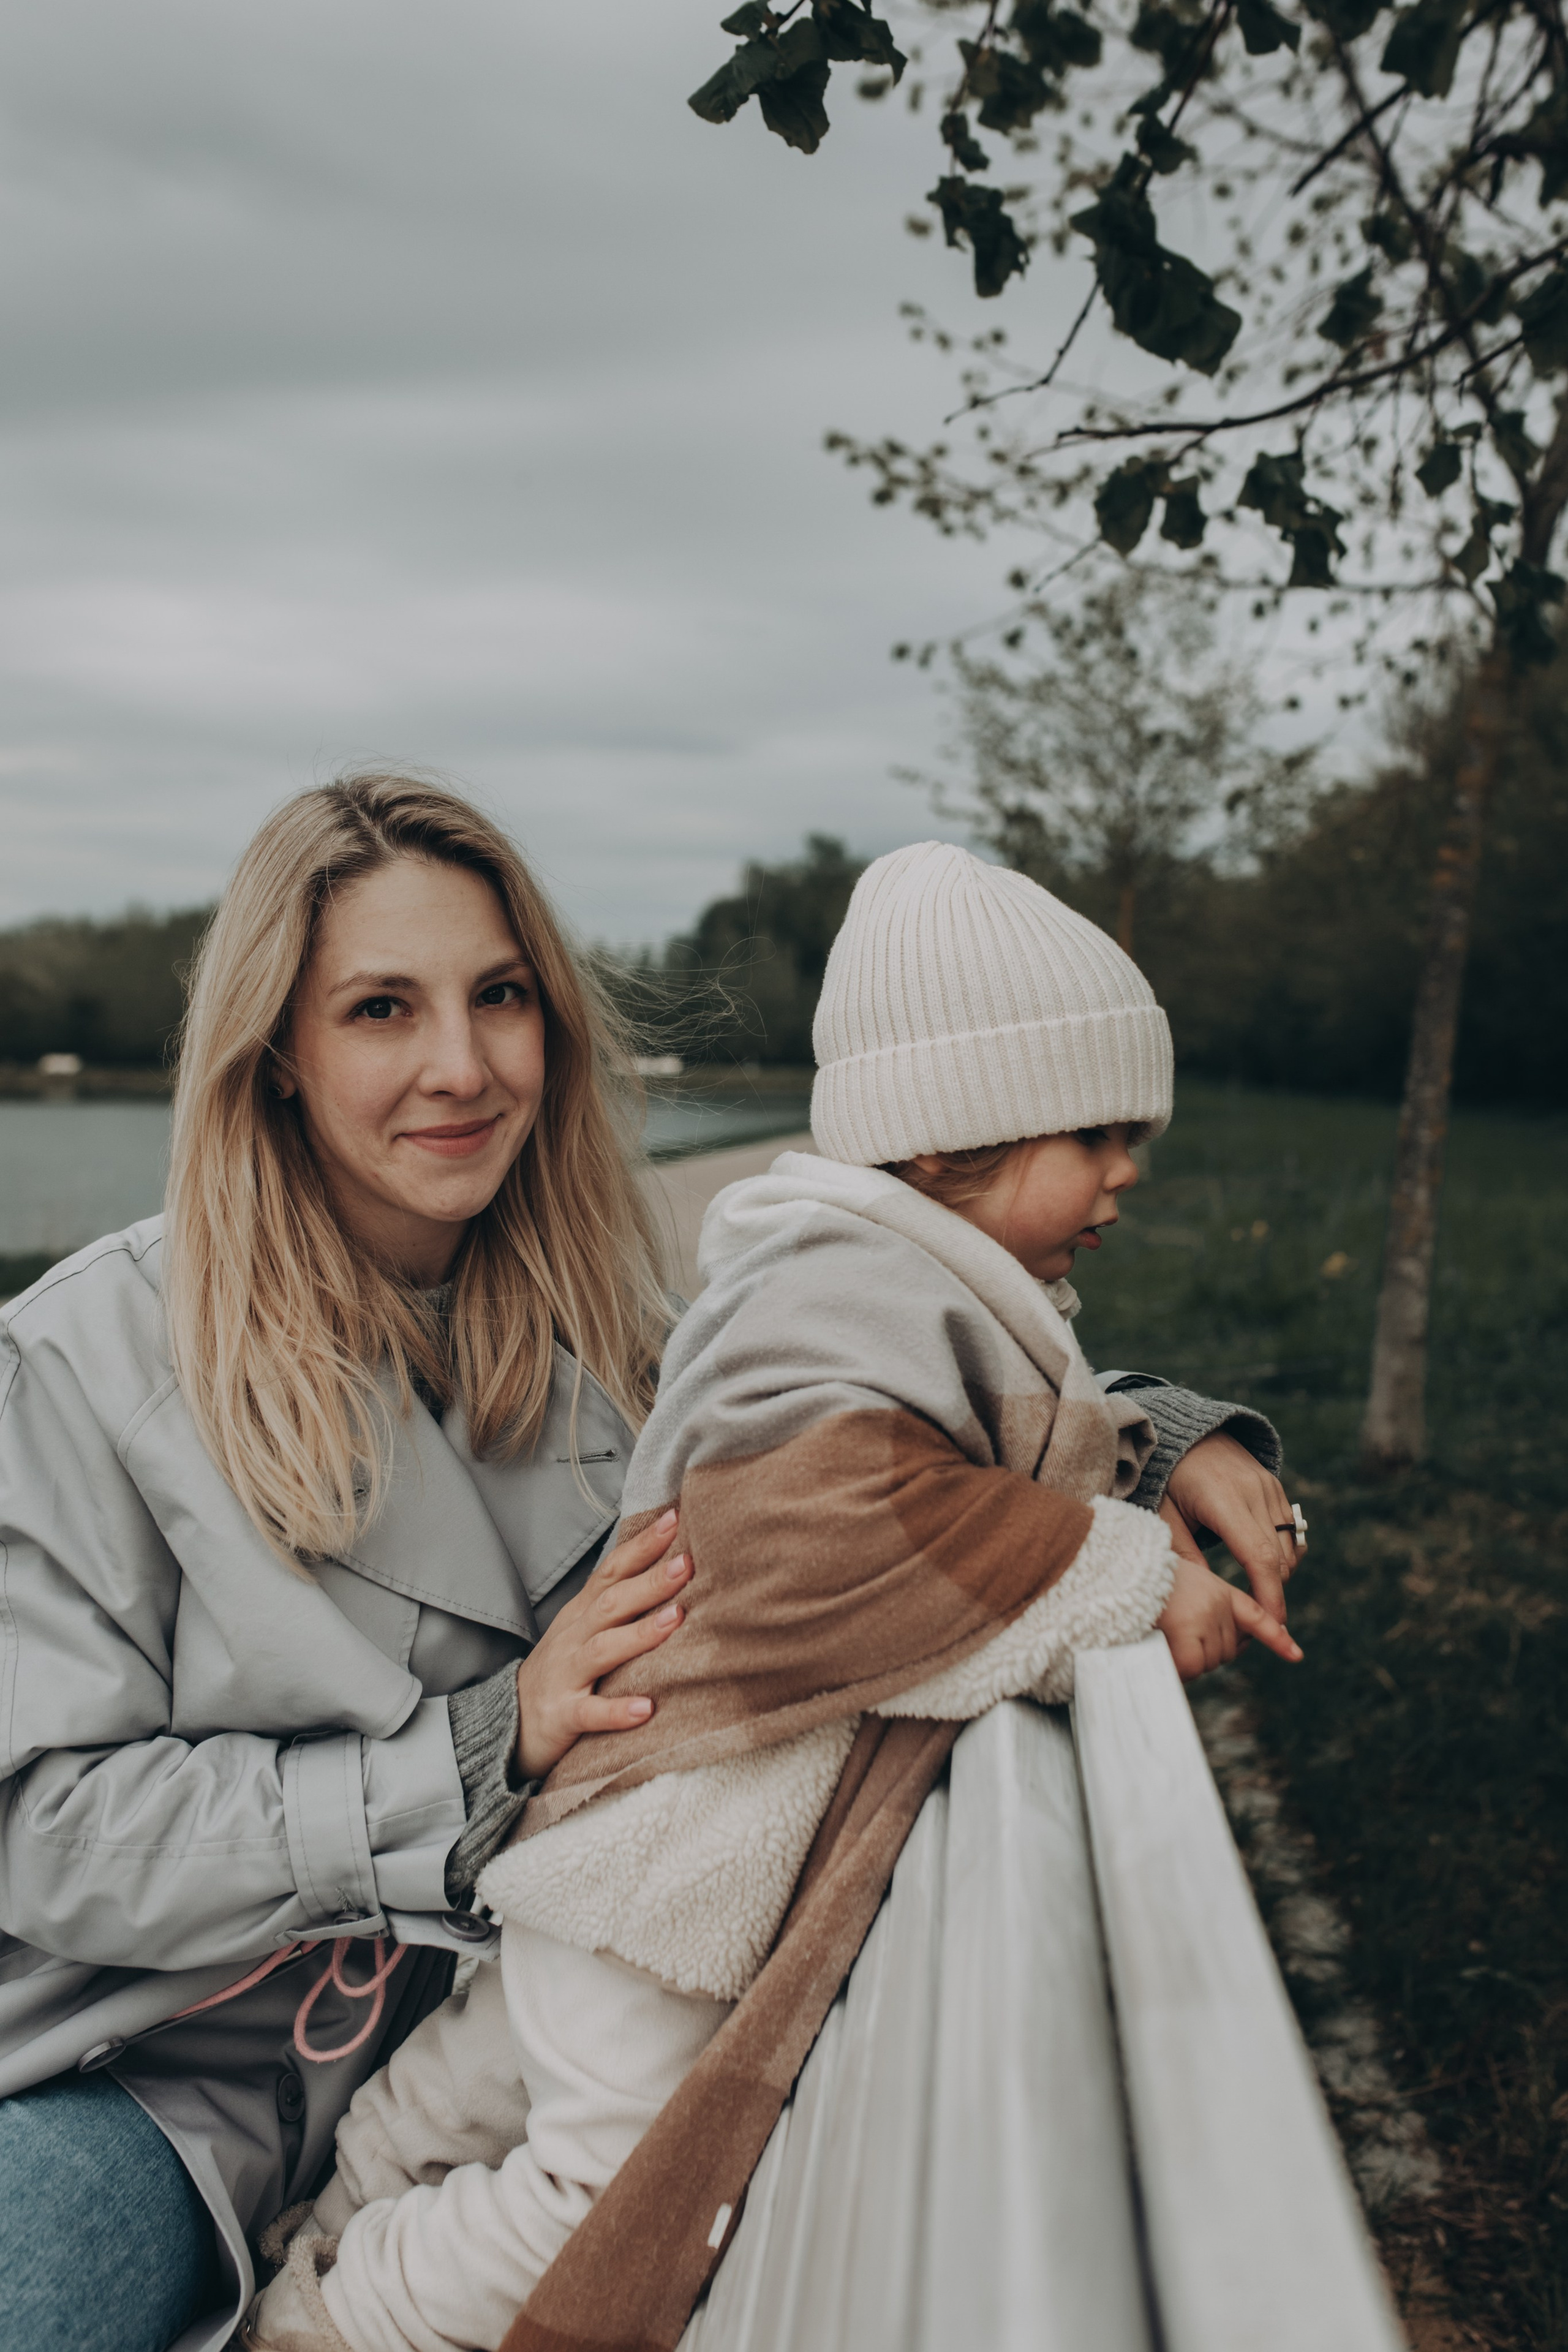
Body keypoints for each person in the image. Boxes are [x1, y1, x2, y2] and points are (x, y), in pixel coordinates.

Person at [242, 841, 1308, 2352]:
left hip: (637, 1829)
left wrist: (1157, 1447)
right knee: (591, 2191)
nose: (1127, 1170)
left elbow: (950, 1443)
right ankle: (337, 2325)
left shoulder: (857, 1278)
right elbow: (841, 1515)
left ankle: (332, 2231)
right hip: (669, 1846)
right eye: (1095, 1131)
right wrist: (1126, 1577)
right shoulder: (847, 1289)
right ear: (954, 1140)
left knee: (479, 2082)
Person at [0, 777, 698, 2352]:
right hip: (129, 2076)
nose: (461, 1067)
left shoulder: (617, 1342)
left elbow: (859, 1397)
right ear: (279, 1060)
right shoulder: (88, 1355)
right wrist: (468, 1756)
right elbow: (44, 1834)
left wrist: (1144, 1431)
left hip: (474, 2067)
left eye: (499, 997)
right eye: (381, 1008)